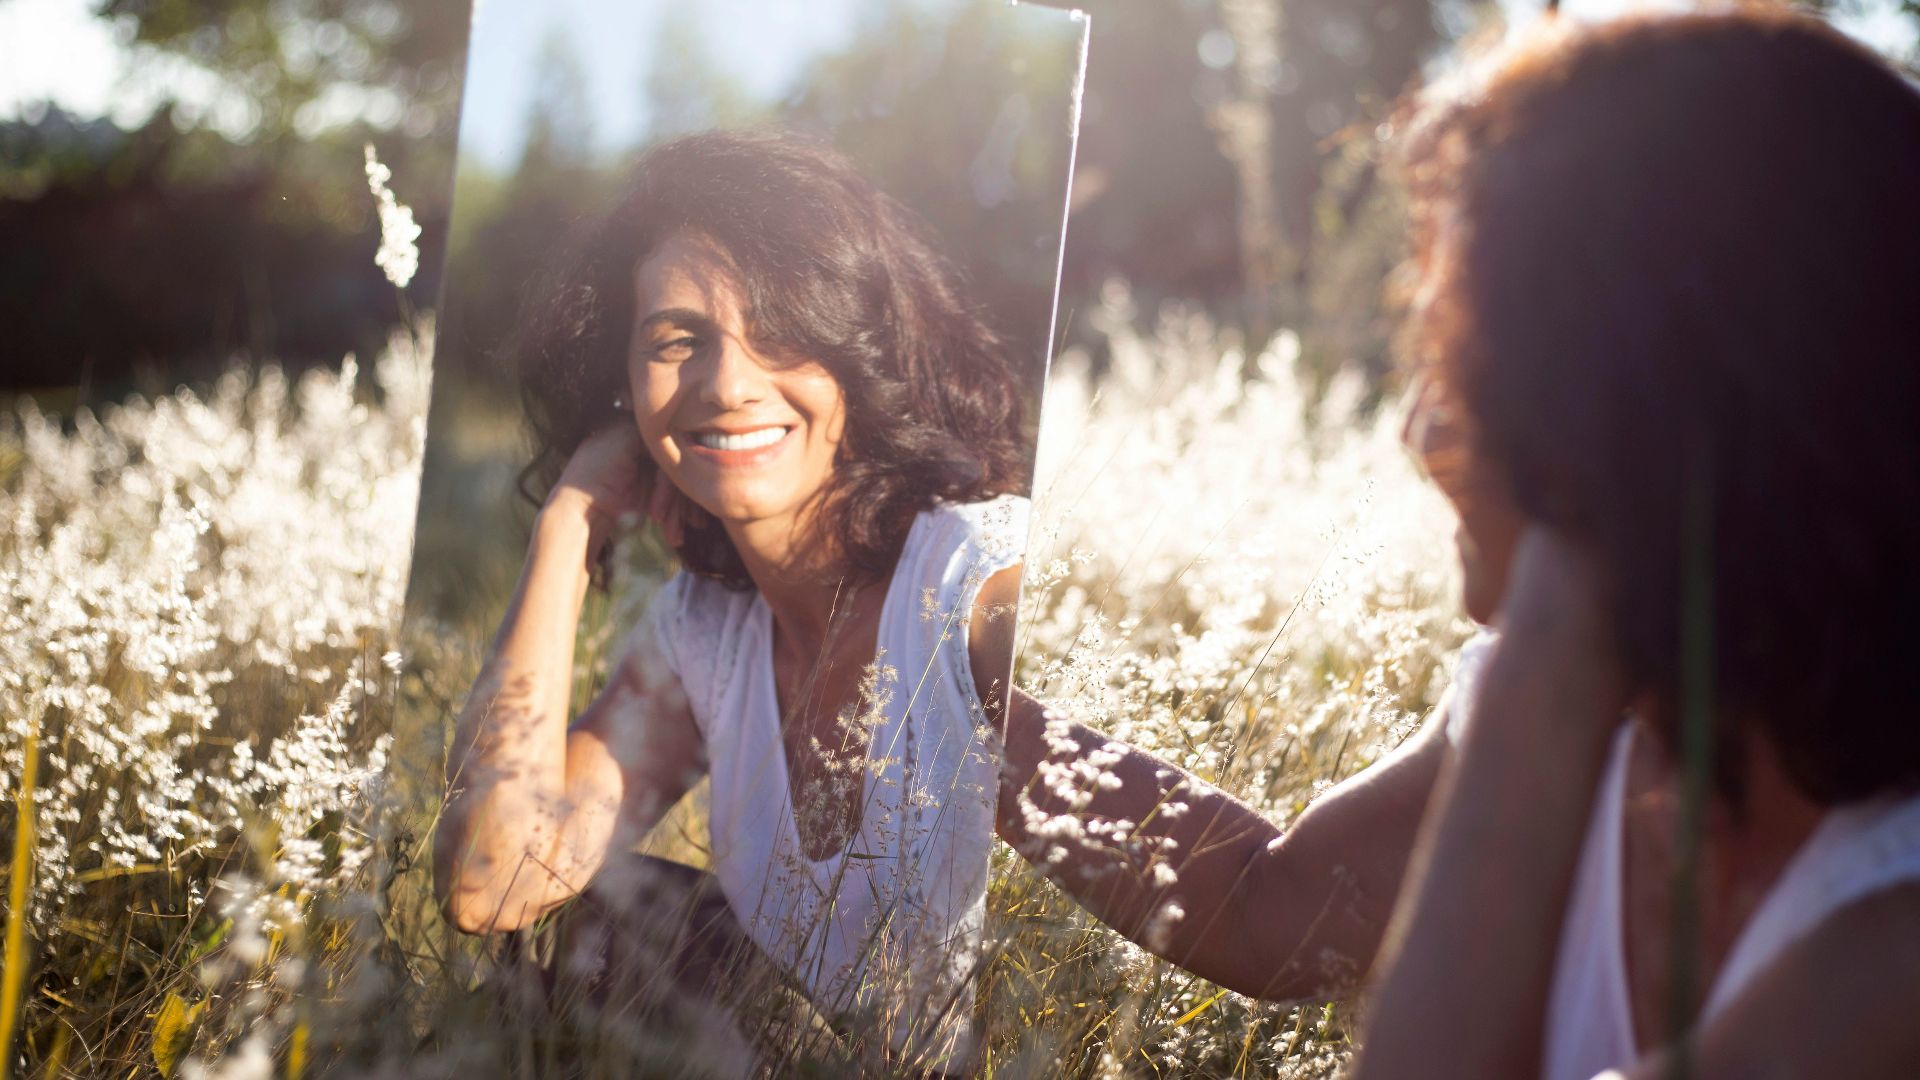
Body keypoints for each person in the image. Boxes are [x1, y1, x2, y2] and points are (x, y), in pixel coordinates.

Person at [998, 10, 1920, 1080]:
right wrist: (978, 711)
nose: (1419, 431)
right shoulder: (1605, 719)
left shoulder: (1890, 943)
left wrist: (1556, 637)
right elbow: (1262, 908)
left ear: (1639, 401)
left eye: (1466, 363)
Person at [431, 130, 1035, 1069]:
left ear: (860, 354)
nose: (727, 383)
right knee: (595, 924)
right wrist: (571, 519)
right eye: (678, 340)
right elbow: (492, 881)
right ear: (623, 387)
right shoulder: (706, 634)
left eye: (784, 328)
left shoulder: (978, 581)